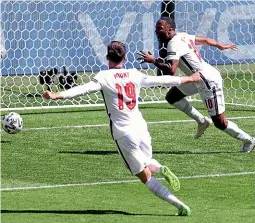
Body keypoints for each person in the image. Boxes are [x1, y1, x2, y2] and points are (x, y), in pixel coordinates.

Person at [43, 41, 201, 216]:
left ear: (106, 58)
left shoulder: (103, 77)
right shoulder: (134, 73)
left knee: (145, 177)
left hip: (124, 134)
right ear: (125, 58)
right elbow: (161, 80)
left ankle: (179, 205)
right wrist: (188, 78)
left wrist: (57, 95)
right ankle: (160, 168)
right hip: (141, 128)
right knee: (147, 161)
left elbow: (83, 89)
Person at [137, 17, 255, 153]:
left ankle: (249, 140)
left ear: (170, 29)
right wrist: (219, 45)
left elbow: (171, 70)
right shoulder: (183, 36)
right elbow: (204, 40)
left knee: (220, 122)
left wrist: (154, 61)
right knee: (172, 96)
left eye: (160, 28)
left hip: (208, 81)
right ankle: (202, 121)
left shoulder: (173, 43)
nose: (156, 31)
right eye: (157, 28)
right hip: (197, 78)